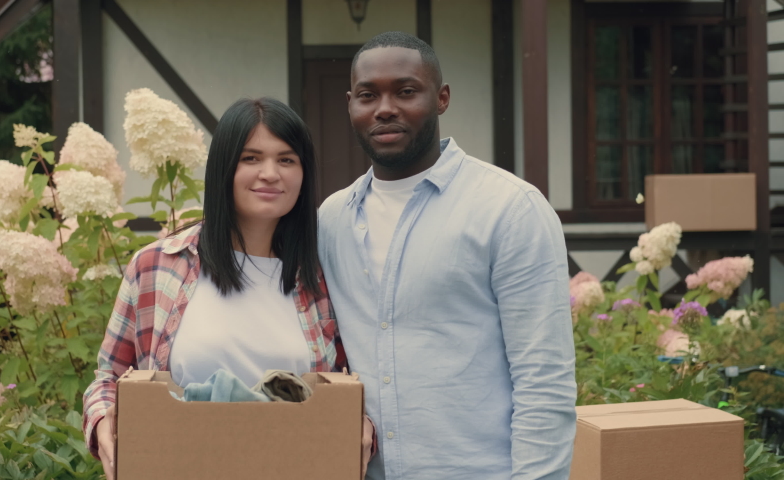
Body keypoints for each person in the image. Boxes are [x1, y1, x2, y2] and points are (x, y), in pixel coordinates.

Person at [317, 32, 577, 479]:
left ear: (441, 98)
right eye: (367, 95)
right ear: (350, 105)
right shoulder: (331, 219)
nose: (384, 108)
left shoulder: (510, 209)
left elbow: (544, 383)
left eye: (405, 91)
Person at [83, 98, 372, 479]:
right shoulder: (157, 266)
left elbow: (352, 381)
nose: (270, 173)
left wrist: (361, 422)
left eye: (287, 160)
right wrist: (103, 421)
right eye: (251, 158)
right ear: (223, 168)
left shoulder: (324, 275)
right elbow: (110, 377)